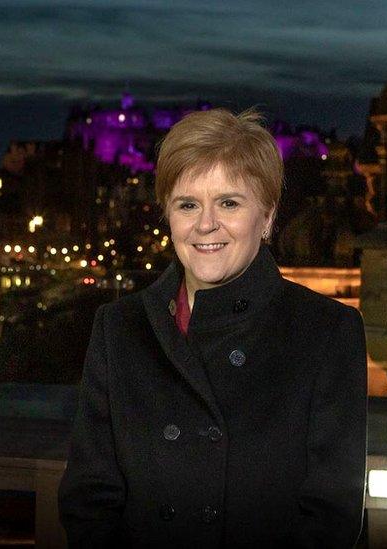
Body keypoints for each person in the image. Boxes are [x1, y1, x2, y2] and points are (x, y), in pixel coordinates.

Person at [59, 109, 367, 547]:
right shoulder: (118, 327)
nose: (206, 224)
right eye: (188, 204)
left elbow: (330, 515)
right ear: (168, 216)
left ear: (266, 218)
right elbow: (89, 498)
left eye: (229, 202)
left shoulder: (327, 331)